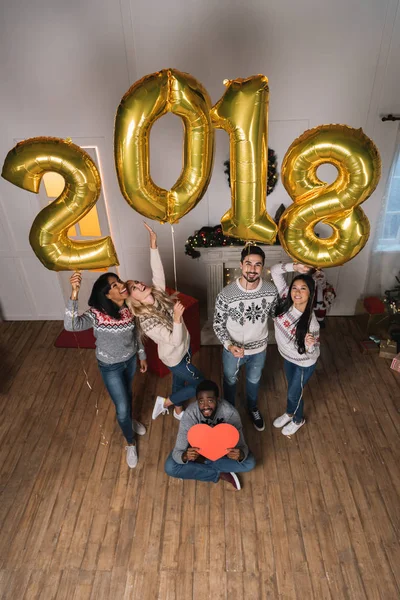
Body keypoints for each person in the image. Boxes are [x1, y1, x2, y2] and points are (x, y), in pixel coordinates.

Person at [64, 271, 147, 468]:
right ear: (107, 295)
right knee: (122, 408)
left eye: (118, 282)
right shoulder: (96, 314)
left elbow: (136, 333)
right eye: (115, 286)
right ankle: (130, 442)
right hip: (110, 366)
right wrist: (74, 293)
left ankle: (130, 421)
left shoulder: (129, 307)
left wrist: (142, 355)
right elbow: (71, 325)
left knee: (127, 395)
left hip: (130, 361)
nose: (121, 285)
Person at [126, 223, 204, 421]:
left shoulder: (158, 294)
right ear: (133, 299)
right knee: (201, 385)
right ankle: (166, 403)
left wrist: (153, 245)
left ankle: (178, 410)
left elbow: (157, 272)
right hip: (174, 356)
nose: (140, 284)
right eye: (135, 287)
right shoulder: (146, 322)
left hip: (184, 349)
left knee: (179, 382)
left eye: (137, 282)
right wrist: (177, 319)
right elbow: (174, 341)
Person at [213, 245, 277, 431]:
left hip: (259, 350)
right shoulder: (227, 294)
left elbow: (276, 315)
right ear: (241, 265)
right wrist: (229, 345)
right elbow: (218, 323)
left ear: (263, 267)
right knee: (230, 381)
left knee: (254, 380)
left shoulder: (271, 290)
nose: (252, 268)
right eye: (248, 263)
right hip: (233, 350)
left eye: (258, 265)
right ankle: (229, 411)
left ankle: (252, 407)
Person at [164, 380, 256, 490]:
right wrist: (185, 456)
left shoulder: (230, 413)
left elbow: (242, 446)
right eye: (201, 401)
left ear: (218, 399)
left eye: (210, 401)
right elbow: (178, 450)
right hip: (197, 452)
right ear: (197, 401)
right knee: (170, 467)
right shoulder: (190, 414)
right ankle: (220, 473)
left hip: (222, 452)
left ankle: (198, 468)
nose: (205, 406)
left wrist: (240, 455)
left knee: (249, 463)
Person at [270, 262, 320, 436]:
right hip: (287, 357)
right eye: (295, 287)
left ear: (310, 293)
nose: (297, 292)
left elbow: (314, 353)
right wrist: (295, 267)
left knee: (293, 393)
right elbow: (275, 271)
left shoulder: (311, 323)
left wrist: (310, 345)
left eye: (303, 289)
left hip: (303, 363)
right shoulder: (285, 299)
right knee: (292, 389)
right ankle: (290, 413)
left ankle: (298, 420)